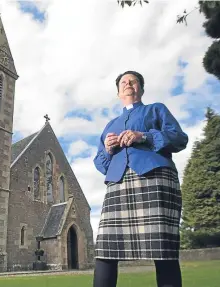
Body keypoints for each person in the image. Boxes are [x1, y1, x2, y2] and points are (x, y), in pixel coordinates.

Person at [93, 71, 188, 287]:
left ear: (141, 89)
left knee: (163, 250)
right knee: (106, 249)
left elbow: (179, 139)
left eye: (133, 81)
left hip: (155, 179)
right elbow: (101, 164)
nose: (128, 84)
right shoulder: (109, 126)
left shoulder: (156, 109)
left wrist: (142, 136)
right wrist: (108, 150)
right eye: (123, 82)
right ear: (118, 93)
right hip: (118, 185)